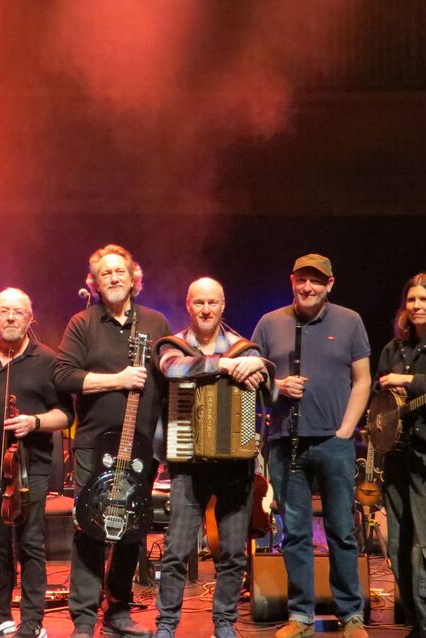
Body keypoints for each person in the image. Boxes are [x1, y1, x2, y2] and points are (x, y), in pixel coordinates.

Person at [251, 254, 371, 638]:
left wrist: (346, 430)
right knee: (296, 534)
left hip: (334, 444)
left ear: (330, 284)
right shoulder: (271, 323)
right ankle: (300, 616)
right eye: (302, 280)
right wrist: (278, 387)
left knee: (341, 532)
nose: (308, 287)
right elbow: (251, 380)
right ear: (292, 281)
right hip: (287, 444)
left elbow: (363, 380)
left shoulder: (349, 320)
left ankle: (351, 614)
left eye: (316, 281)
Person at [54, 245, 170, 638]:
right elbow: (64, 376)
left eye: (120, 271)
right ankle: (84, 618)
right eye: (106, 273)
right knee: (90, 525)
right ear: (96, 282)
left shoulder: (156, 324)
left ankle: (118, 609)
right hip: (92, 443)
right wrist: (117, 379)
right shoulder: (82, 324)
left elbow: (171, 382)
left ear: (134, 278)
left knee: (131, 525)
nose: (114, 278)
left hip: (142, 444)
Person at [154, 277, 272, 638]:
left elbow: (267, 382)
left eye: (212, 303)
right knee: (176, 550)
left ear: (223, 306)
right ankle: (166, 625)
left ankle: (224, 622)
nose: (206, 309)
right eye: (199, 303)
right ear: (188, 306)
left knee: (233, 552)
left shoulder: (245, 349)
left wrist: (261, 367)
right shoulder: (172, 345)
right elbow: (172, 369)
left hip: (235, 466)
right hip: (187, 463)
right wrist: (222, 366)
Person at [0, 288, 73, 638]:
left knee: (29, 544)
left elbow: (65, 414)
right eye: (4, 312)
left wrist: (35, 422)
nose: (11, 317)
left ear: (30, 318)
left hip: (30, 468)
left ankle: (31, 621)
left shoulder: (49, 359)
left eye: (19, 312)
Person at [374, 273, 426, 638]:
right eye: (411, 300)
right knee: (397, 546)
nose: (417, 306)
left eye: (424, 299)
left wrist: (410, 383)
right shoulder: (395, 348)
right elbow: (380, 408)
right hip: (397, 460)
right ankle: (419, 625)